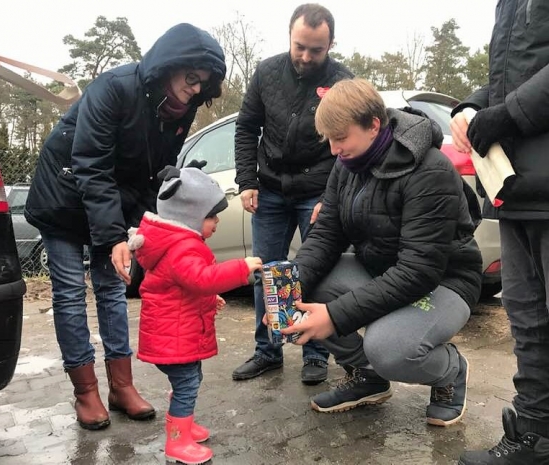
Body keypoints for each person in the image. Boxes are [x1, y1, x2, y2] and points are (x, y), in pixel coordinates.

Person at [24, 23, 227, 430]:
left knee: (112, 289)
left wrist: (144, 234)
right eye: (191, 78)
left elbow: (153, 178)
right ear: (170, 64)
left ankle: (122, 386)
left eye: (201, 84)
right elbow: (91, 164)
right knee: (69, 292)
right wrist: (114, 235)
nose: (194, 90)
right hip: (64, 194)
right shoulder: (113, 87)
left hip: (111, 201)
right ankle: (86, 392)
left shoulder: (178, 111)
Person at [281, 78, 482, 427]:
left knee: (388, 348)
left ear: (374, 124)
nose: (333, 150)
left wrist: (334, 316)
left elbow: (418, 271)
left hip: (443, 283)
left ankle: (450, 370)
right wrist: (287, 285)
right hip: (383, 271)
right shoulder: (347, 166)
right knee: (303, 288)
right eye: (328, 139)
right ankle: (368, 377)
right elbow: (327, 233)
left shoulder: (429, 170)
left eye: (340, 138)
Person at [450, 3, 549, 464]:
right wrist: (473, 107)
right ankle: (534, 442)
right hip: (518, 187)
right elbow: (516, 77)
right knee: (529, 322)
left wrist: (507, 114)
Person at [233, 2, 353, 385]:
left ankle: (315, 353)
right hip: (268, 188)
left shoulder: (342, 82)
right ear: (290, 36)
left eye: (315, 50)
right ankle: (267, 350)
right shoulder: (267, 72)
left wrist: (330, 198)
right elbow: (246, 127)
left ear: (331, 44)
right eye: (299, 45)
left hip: (317, 191)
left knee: (313, 272)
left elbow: (348, 147)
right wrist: (246, 181)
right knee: (267, 273)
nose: (305, 56)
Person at [128, 166, 262, 465]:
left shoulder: (178, 244)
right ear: (190, 214)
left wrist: (207, 297)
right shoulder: (183, 247)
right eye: (212, 216)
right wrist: (241, 268)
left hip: (173, 334)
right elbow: (201, 277)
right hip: (173, 338)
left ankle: (183, 426)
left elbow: (183, 283)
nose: (216, 222)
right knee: (187, 383)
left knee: (188, 381)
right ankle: (178, 441)